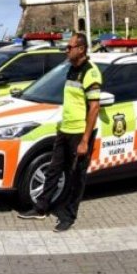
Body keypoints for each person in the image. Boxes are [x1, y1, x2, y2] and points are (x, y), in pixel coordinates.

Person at [18, 32, 102, 232]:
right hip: (64, 130)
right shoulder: (71, 70)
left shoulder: (91, 73)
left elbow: (94, 108)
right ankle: (41, 208)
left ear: (81, 49)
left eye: (70, 47)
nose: (66, 50)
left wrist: (84, 140)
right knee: (53, 170)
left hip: (80, 133)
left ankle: (68, 217)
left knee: (76, 177)